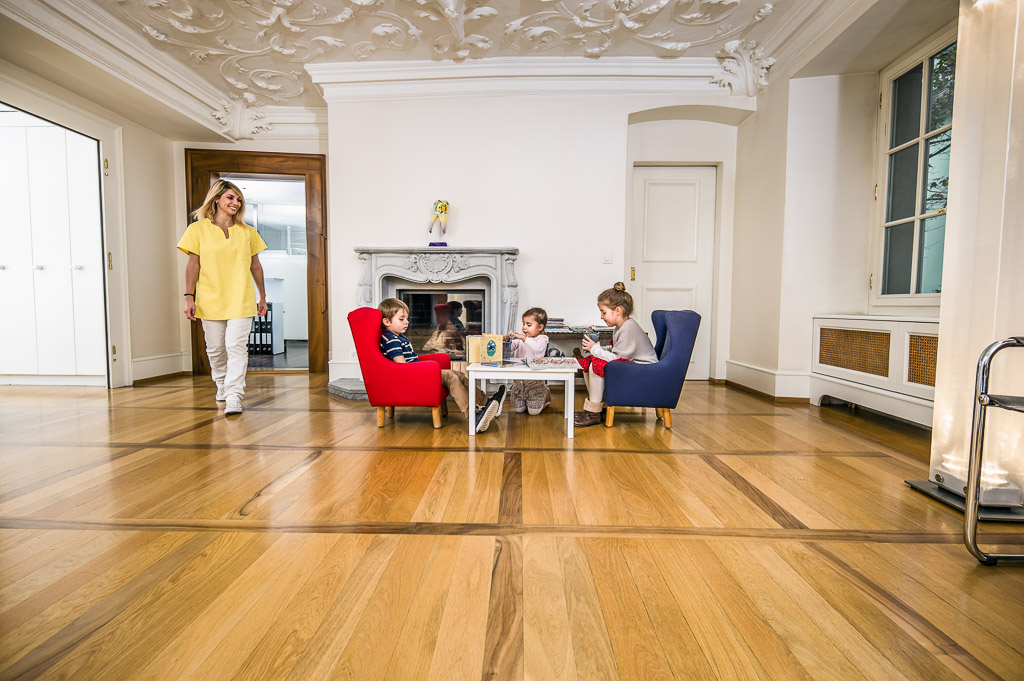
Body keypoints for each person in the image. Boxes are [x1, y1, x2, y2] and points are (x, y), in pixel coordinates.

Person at [178, 179, 267, 415]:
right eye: (230, 197)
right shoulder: (197, 229)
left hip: (241, 298)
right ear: (216, 199)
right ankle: (221, 384)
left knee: (237, 347)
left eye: (239, 199)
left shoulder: (248, 233)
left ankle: (234, 395)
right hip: (210, 299)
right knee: (216, 349)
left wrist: (262, 297)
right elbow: (192, 266)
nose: (236, 202)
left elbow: (256, 267)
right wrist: (189, 297)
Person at [379, 298, 505, 432]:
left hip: (416, 372)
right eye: (401, 319)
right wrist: (426, 368)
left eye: (407, 318)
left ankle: (486, 402)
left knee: (459, 375)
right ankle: (473, 415)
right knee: (451, 377)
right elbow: (402, 367)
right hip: (411, 376)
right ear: (386, 321)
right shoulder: (391, 340)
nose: (407, 322)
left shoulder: (398, 336)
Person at [575, 282, 658, 427]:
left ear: (618, 310)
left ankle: (593, 413)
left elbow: (618, 358)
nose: (601, 316)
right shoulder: (621, 327)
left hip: (643, 372)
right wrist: (598, 349)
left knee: (596, 363)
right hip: (635, 368)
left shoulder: (629, 328)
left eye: (604, 312)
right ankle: (594, 408)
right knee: (590, 361)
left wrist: (596, 349)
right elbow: (619, 351)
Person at [504, 307, 551, 415]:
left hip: (535, 382)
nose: (524, 327)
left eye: (528, 325)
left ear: (540, 327)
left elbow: (537, 348)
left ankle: (545, 394)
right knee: (518, 410)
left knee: (533, 412)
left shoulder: (542, 339)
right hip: (520, 381)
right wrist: (506, 342)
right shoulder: (522, 338)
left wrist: (522, 338)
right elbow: (511, 348)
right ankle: (526, 400)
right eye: (523, 324)